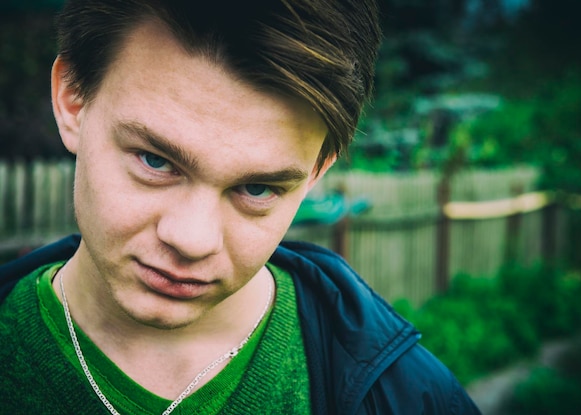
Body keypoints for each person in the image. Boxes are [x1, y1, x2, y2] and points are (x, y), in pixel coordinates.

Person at [0, 1, 481, 414]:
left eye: (257, 189)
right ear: (73, 101)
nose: (192, 239)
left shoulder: (410, 397)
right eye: (155, 161)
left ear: (317, 171)